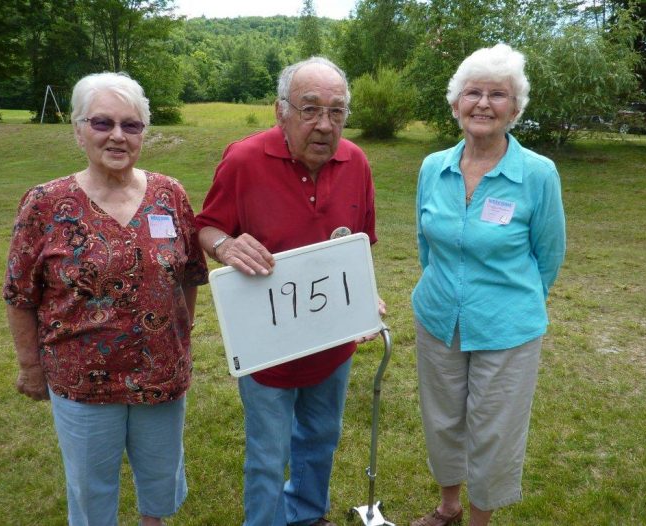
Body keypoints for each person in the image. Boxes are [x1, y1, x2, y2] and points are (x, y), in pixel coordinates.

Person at [3, 72, 208, 526]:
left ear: (142, 134)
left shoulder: (169, 194)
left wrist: (182, 332)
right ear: (78, 130)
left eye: (131, 125)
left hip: (161, 374)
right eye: (102, 123)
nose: (117, 135)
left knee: (158, 479)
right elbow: (19, 293)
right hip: (82, 382)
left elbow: (191, 271)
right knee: (92, 489)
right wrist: (30, 368)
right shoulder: (44, 203)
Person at [195, 57, 383, 526]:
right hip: (266, 345)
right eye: (309, 109)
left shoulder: (356, 162)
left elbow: (359, 246)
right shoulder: (243, 160)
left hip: (331, 341)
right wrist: (225, 245)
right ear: (281, 111)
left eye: (337, 112)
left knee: (321, 436)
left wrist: (365, 297)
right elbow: (207, 227)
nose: (324, 125)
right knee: (267, 452)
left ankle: (306, 513)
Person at [411, 44, 566, 526]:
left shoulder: (538, 174)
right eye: (472, 92)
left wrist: (512, 304)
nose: (482, 103)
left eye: (497, 94)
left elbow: (549, 254)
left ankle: (480, 520)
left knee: (494, 430)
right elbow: (424, 243)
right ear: (455, 103)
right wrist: (442, 291)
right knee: (442, 420)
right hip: (438, 317)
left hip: (507, 326)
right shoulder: (432, 167)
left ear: (514, 109)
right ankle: (448, 507)